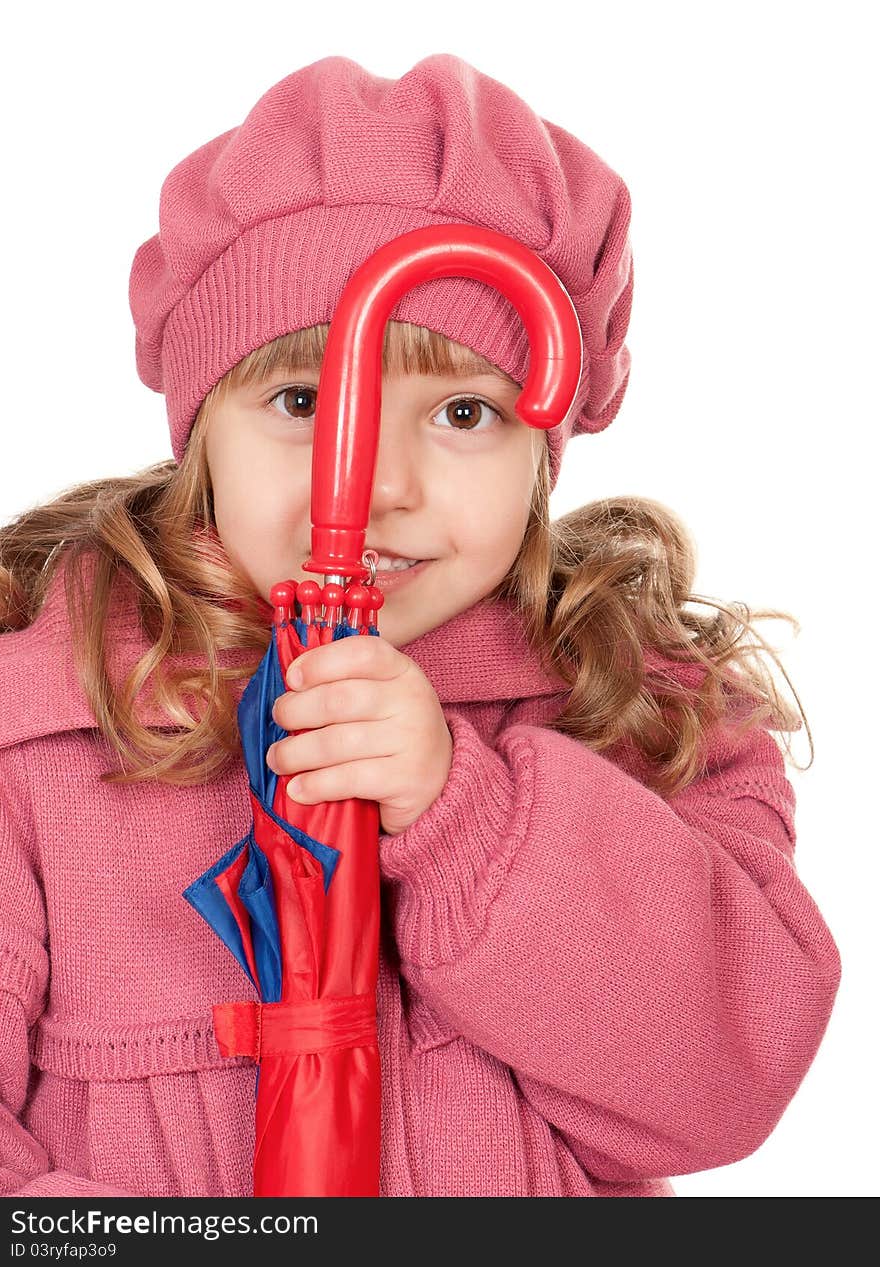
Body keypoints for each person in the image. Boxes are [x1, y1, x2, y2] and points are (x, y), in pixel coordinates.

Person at [0, 53, 841, 1199]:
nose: (383, 481)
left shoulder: (640, 706)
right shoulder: (37, 722)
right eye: (301, 401)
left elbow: (727, 1078)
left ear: (543, 448)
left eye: (462, 411)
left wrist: (464, 815)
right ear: (201, 431)